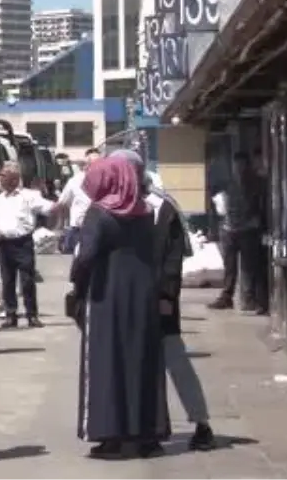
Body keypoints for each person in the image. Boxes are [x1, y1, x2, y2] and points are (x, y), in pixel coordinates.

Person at [111, 149, 215, 450]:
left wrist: (166, 295)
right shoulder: (115, 203)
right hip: (128, 300)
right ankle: (140, 427)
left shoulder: (161, 206)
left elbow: (174, 258)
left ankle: (201, 423)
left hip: (159, 300)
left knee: (175, 361)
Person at [70, 155, 170, 459]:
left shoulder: (99, 214)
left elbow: (86, 256)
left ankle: (110, 434)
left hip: (105, 295)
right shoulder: (145, 212)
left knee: (105, 361)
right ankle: (146, 435)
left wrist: (77, 283)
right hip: (142, 295)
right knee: (142, 360)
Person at [0, 161, 53, 328]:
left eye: (4, 176)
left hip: (23, 243)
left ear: (14, 178)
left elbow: (47, 207)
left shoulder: (28, 196)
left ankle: (31, 314)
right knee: (7, 281)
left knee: (27, 280)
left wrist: (60, 205)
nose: (1, 179)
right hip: (5, 243)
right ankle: (10, 314)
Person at [210, 151, 268, 314]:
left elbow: (259, 206)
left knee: (249, 267)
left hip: (248, 230)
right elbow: (222, 206)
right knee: (230, 266)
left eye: (242, 165)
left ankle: (250, 299)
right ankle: (227, 296)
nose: (239, 168)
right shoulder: (229, 184)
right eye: (237, 165)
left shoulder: (256, 184)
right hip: (230, 229)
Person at [55, 148, 100, 254]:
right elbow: (62, 203)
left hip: (95, 227)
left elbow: (62, 203)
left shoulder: (75, 180)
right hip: (81, 228)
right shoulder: (75, 180)